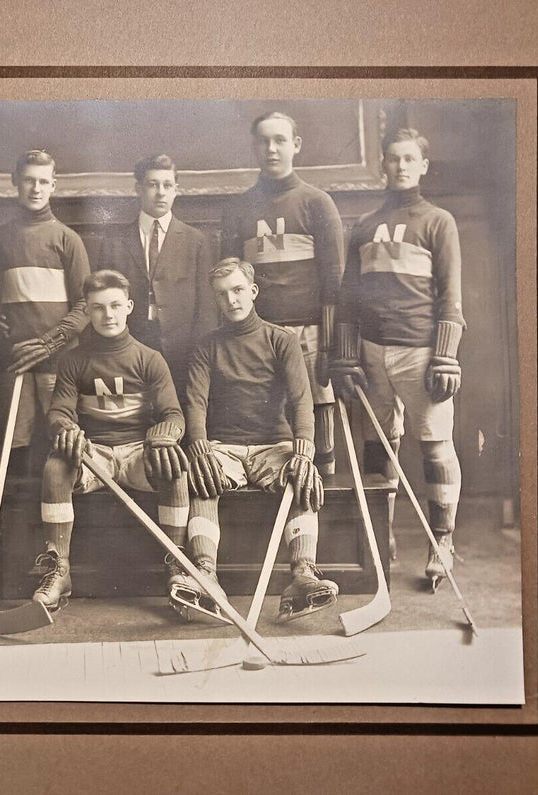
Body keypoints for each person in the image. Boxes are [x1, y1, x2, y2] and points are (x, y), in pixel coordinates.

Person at [333, 127, 465, 590]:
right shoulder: (364, 226)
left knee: (434, 442)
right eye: (393, 158)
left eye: (410, 158)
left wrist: (445, 356)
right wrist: (346, 357)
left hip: (420, 351)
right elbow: (348, 298)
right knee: (378, 444)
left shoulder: (438, 221)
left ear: (423, 165)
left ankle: (442, 541)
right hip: (372, 352)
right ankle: (380, 538)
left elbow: (450, 295)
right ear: (382, 166)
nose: (402, 166)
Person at [183, 258, 337, 622]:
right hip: (224, 447)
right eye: (222, 294)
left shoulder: (281, 339)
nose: (231, 300)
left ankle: (302, 572)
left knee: (302, 476)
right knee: (201, 477)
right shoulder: (208, 345)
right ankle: (205, 573)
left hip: (273, 445)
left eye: (238, 290)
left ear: (252, 291)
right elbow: (195, 401)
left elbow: (302, 400)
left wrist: (304, 448)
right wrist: (199, 445)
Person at [31, 270, 191, 613]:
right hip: (94, 455)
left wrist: (165, 435)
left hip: (138, 453)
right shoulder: (74, 360)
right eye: (98, 308)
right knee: (56, 466)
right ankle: (60, 569)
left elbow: (174, 415)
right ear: (87, 312)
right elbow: (58, 412)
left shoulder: (150, 359)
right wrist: (66, 430)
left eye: (115, 306)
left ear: (129, 306)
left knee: (175, 467)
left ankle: (177, 566)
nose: (108, 315)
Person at [222, 111, 345, 478]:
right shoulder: (238, 208)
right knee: (265, 412)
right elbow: (226, 278)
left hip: (308, 331)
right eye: (264, 141)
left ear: (296, 145)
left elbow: (334, 280)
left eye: (279, 140)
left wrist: (328, 344)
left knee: (317, 406)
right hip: (256, 334)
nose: (271, 149)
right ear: (254, 147)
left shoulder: (317, 202)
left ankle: (321, 485)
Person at [0, 150, 90, 465]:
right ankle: (12, 514)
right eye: (28, 180)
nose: (35, 188)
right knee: (14, 447)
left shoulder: (68, 239)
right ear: (16, 182)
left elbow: (85, 305)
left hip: (60, 359)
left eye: (42, 181)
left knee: (64, 440)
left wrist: (50, 342)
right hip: (15, 360)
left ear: (54, 185)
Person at [94, 154, 217, 392]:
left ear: (175, 190)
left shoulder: (196, 241)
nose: (161, 192)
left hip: (183, 351)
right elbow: (102, 300)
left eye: (167, 185)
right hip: (131, 345)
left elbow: (207, 308)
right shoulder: (115, 242)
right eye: (153, 184)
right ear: (138, 188)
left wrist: (202, 355)